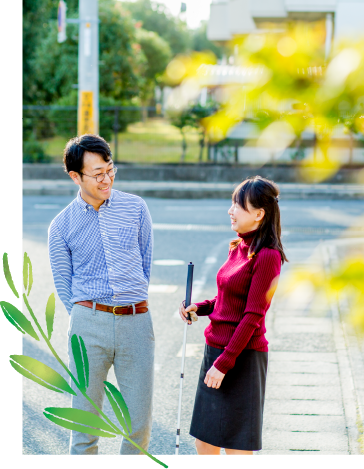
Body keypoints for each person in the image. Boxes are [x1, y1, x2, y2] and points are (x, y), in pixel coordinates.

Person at [48, 134, 155, 455]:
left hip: (136, 322)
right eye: (97, 174)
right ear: (75, 177)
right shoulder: (61, 226)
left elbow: (145, 264)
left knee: (138, 424)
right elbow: (64, 286)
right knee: (84, 425)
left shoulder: (136, 208)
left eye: (110, 169)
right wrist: (89, 315)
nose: (106, 178)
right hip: (87, 325)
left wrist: (130, 302)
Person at [179, 175, 287, 455]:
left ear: (259, 213)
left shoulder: (267, 256)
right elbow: (226, 299)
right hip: (216, 352)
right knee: (205, 442)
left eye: (238, 205)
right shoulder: (238, 246)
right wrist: (199, 308)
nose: (231, 211)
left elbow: (252, 316)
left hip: (242, 358)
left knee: (237, 449)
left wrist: (224, 363)